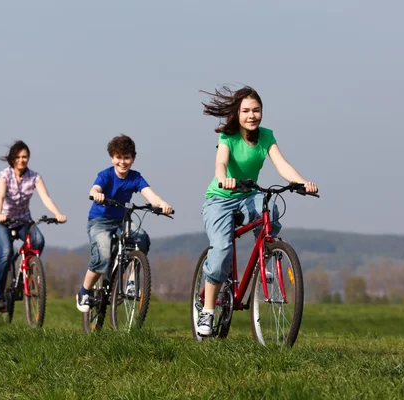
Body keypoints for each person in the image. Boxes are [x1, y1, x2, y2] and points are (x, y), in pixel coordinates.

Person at [197, 85, 318, 336]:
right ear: (237, 114)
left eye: (256, 110)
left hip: (249, 193)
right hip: (221, 197)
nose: (252, 115)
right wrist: (223, 180)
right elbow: (220, 163)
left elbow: (282, 165)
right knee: (221, 250)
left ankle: (267, 257)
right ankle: (207, 311)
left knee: (270, 211)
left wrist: (302, 183)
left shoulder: (266, 136)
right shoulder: (227, 137)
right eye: (246, 111)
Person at [76, 134, 173, 312]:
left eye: (126, 157)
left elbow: (150, 195)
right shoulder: (105, 175)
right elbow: (95, 188)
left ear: (133, 159)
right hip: (100, 221)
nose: (123, 162)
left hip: (122, 221)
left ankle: (131, 281)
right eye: (119, 157)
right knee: (103, 254)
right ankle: (84, 291)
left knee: (142, 237)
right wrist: (97, 194)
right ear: (112, 158)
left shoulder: (135, 178)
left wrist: (162, 204)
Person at [0, 140, 67, 314]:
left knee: (38, 240)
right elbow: (0, 197)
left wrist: (57, 214)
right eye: (18, 157)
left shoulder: (34, 177)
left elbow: (45, 198)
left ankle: (29, 269)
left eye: (25, 157)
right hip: (3, 221)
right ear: (12, 159)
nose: (22, 160)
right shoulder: (4, 176)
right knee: (6, 253)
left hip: (23, 221)